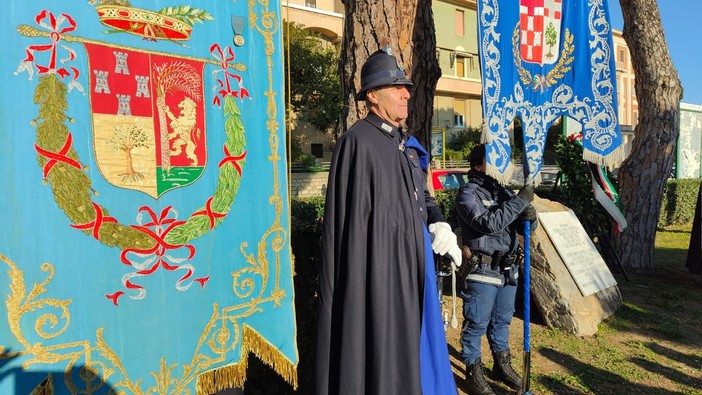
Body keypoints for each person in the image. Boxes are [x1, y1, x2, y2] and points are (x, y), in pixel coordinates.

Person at [316, 47, 463, 395]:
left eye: (406, 86)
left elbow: (421, 198)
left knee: (420, 359)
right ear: (372, 94)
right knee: (386, 362)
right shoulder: (358, 144)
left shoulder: (405, 145)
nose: (406, 94)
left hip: (416, 275)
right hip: (380, 279)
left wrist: (438, 223)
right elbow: (351, 233)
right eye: (396, 86)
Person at [455, 144, 537, 395]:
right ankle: (473, 369)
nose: (503, 166)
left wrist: (530, 217)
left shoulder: (502, 191)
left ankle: (501, 365)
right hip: (483, 269)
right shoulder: (468, 194)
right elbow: (488, 223)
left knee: (502, 321)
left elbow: (522, 228)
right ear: (479, 165)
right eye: (496, 161)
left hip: (507, 269)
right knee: (477, 323)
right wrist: (520, 201)